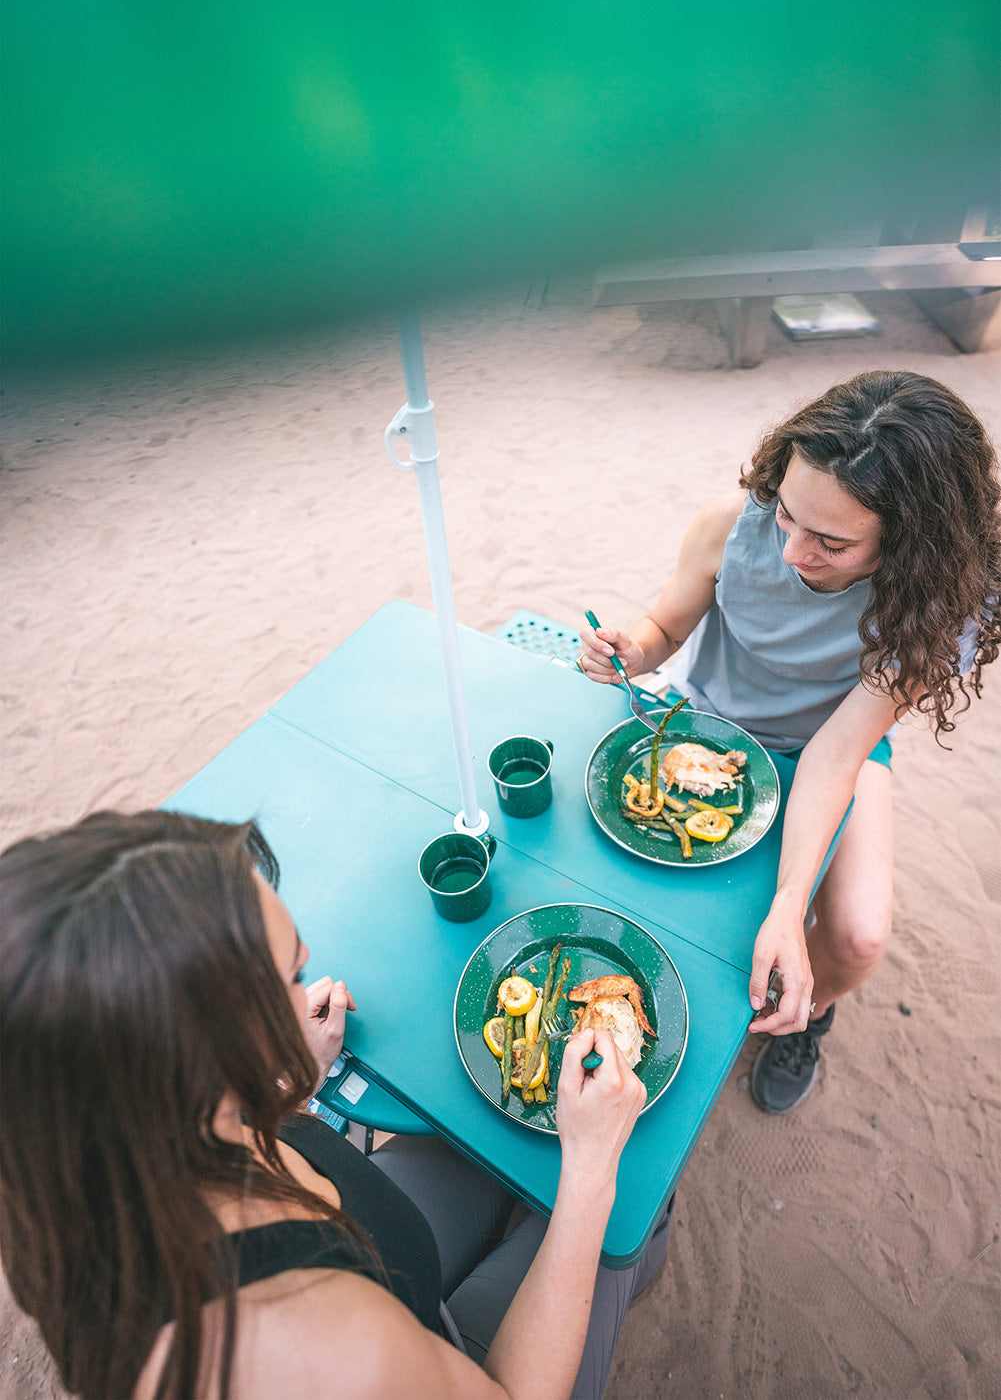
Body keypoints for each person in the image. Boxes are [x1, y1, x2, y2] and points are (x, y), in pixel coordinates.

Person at [0, 808, 669, 1400]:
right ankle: (644, 1264)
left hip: (386, 1261)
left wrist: (289, 1082)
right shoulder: (317, 1351)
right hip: (451, 1364)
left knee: (482, 1157)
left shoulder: (78, 1157)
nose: (308, 983)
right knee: (631, 1205)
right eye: (291, 975)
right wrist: (589, 1167)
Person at [577, 370, 999, 1115]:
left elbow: (838, 753)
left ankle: (809, 1010)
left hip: (829, 745)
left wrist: (788, 902)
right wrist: (633, 652)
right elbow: (665, 627)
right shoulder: (732, 523)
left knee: (858, 936)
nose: (790, 553)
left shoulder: (941, 607)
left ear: (911, 546)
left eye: (831, 542)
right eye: (786, 517)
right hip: (703, 713)